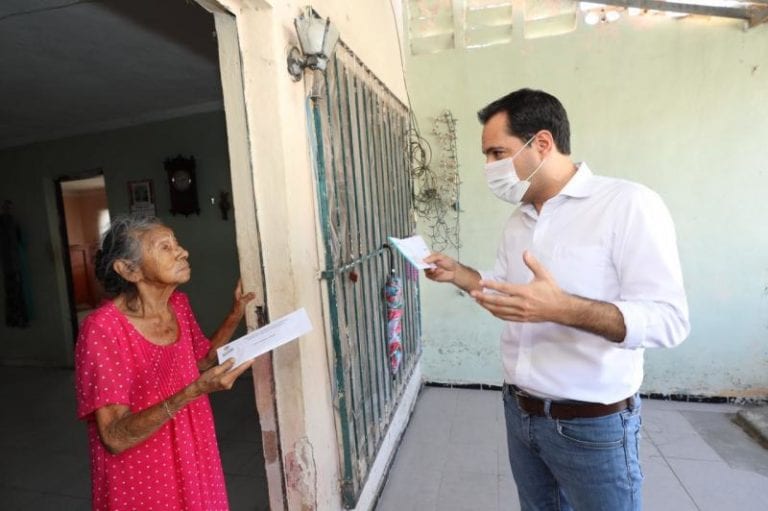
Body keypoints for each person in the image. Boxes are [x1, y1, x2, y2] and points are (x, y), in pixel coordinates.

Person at [424, 88, 689, 511]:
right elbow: (507, 288)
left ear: (542, 143)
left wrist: (562, 308)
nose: (489, 167)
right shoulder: (520, 220)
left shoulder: (627, 205)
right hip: (520, 412)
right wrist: (460, 274)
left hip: (592, 425)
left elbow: (669, 320)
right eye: (487, 156)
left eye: (497, 153)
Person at [75, 215, 255, 511]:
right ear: (129, 269)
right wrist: (194, 391)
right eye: (165, 247)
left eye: (177, 243)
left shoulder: (178, 305)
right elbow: (114, 437)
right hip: (144, 472)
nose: (182, 252)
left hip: (194, 451)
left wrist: (236, 312)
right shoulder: (103, 329)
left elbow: (201, 360)